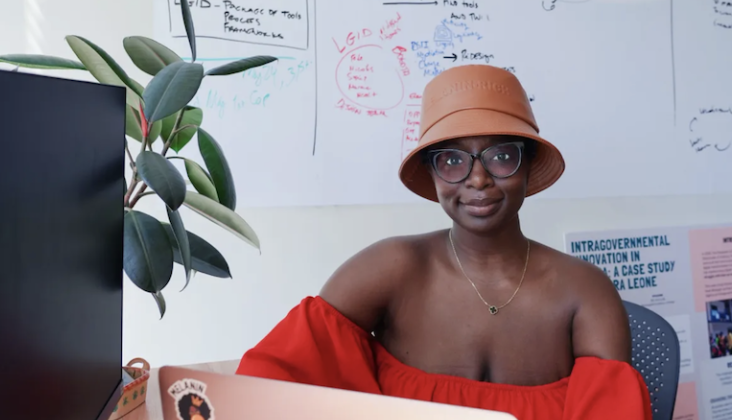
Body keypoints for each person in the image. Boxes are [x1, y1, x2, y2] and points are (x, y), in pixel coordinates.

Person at [236, 65, 652, 419]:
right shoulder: (389, 268)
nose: (477, 178)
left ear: (527, 164)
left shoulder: (586, 293)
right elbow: (270, 386)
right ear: (432, 174)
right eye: (452, 159)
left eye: (500, 155)